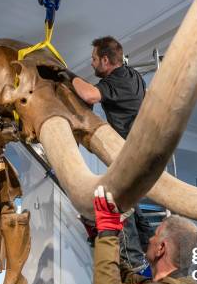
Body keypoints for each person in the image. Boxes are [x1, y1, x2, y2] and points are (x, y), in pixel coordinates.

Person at [61, 36, 151, 269]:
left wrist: (68, 75)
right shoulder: (132, 75)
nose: (91, 64)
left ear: (105, 60)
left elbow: (89, 95)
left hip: (130, 153)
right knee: (133, 205)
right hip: (139, 151)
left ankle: (133, 263)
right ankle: (149, 249)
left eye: (93, 59)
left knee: (120, 201)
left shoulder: (118, 79)